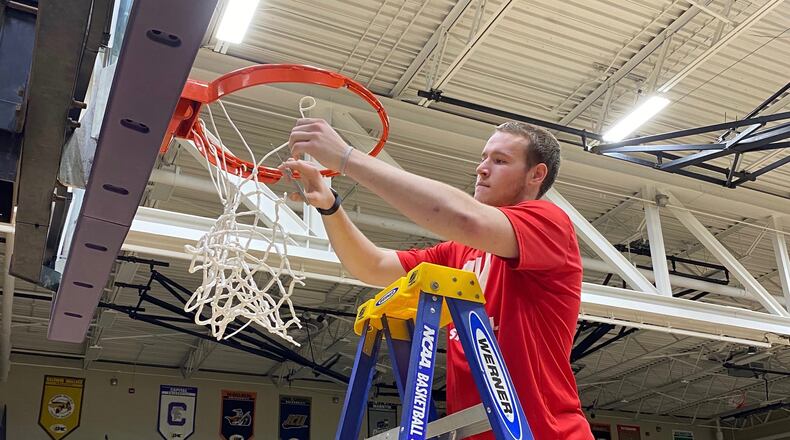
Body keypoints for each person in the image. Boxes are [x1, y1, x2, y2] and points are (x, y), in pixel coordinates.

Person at [283, 119, 593, 439]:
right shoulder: (459, 252)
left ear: (536, 174)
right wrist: (331, 206)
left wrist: (347, 157)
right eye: (484, 157)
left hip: (546, 432)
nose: (482, 168)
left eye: (499, 161)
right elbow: (373, 265)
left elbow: (464, 218)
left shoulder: (551, 225)